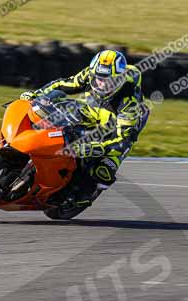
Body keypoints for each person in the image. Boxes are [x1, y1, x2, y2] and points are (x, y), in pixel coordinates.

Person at [21, 49, 149, 206]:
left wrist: (94, 148)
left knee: (104, 170)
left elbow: (121, 140)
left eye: (108, 81)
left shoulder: (129, 104)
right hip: (93, 107)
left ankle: (82, 195)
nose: (101, 84)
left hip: (118, 124)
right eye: (98, 79)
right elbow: (62, 84)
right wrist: (36, 95)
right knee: (61, 112)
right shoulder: (89, 73)